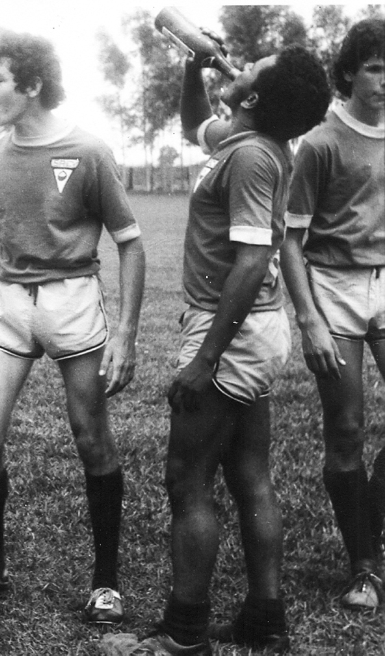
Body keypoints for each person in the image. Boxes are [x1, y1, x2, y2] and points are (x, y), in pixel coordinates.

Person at [101, 43, 332, 656]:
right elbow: (189, 124)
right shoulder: (241, 139)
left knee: (188, 479)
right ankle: (265, 621)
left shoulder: (254, 155)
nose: (242, 64)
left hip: (231, 332)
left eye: (253, 66)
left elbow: (254, 259)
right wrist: (189, 68)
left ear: (253, 97)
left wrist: (205, 358)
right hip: (250, 330)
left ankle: (184, 636)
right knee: (249, 474)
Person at [0, 29, 145, 627]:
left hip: (73, 298)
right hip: (7, 301)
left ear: (31, 85)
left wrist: (127, 334)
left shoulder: (88, 151)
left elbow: (130, 245)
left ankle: (105, 583)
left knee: (91, 439)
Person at [280, 18, 385, 612]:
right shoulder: (320, 142)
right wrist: (309, 318)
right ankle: (364, 567)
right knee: (347, 429)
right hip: (334, 287)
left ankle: (367, 524)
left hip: (384, 281)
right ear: (348, 72)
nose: (384, 80)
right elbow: (289, 241)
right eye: (374, 67)